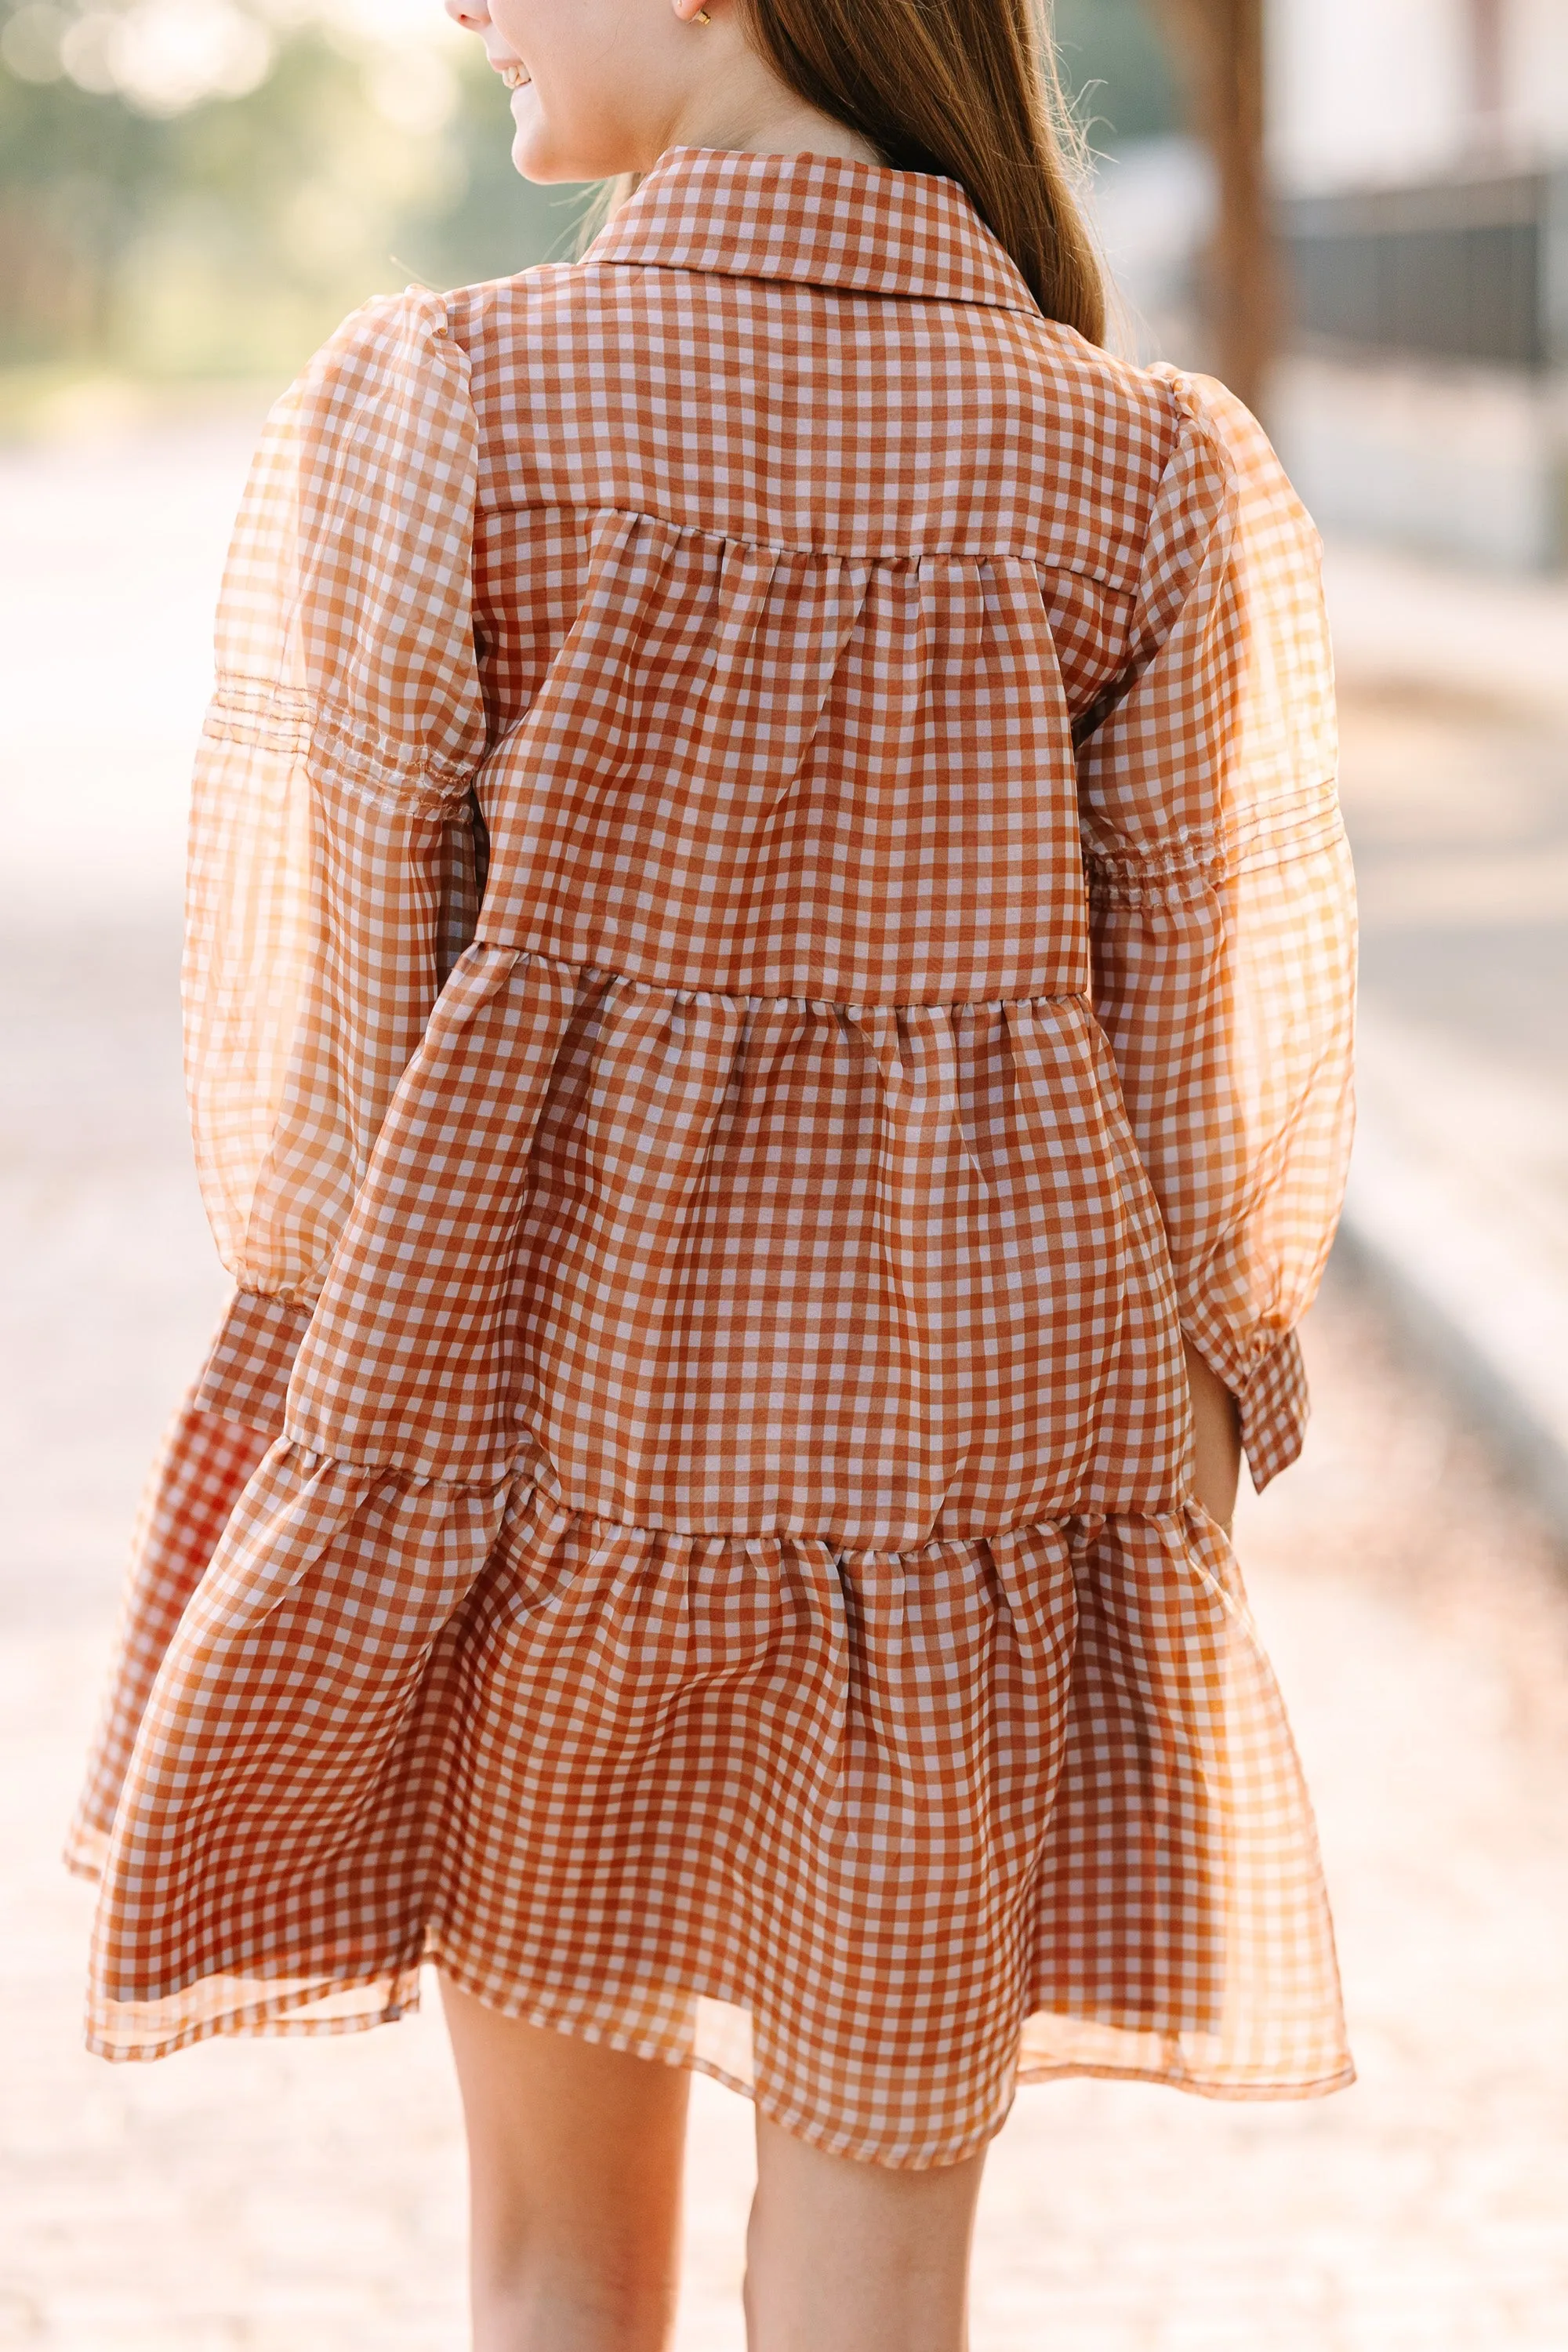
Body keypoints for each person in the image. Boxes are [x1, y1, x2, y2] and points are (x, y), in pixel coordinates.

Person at [69, 2, 1358, 2345]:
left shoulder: (453, 399)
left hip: (538, 1483)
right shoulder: (1140, 470)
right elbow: (1221, 1114)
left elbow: (327, 1062)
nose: (463, 2)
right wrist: (1186, 1460)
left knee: (555, 2270)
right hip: (965, 1525)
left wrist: (343, 1404)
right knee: (882, 2291)